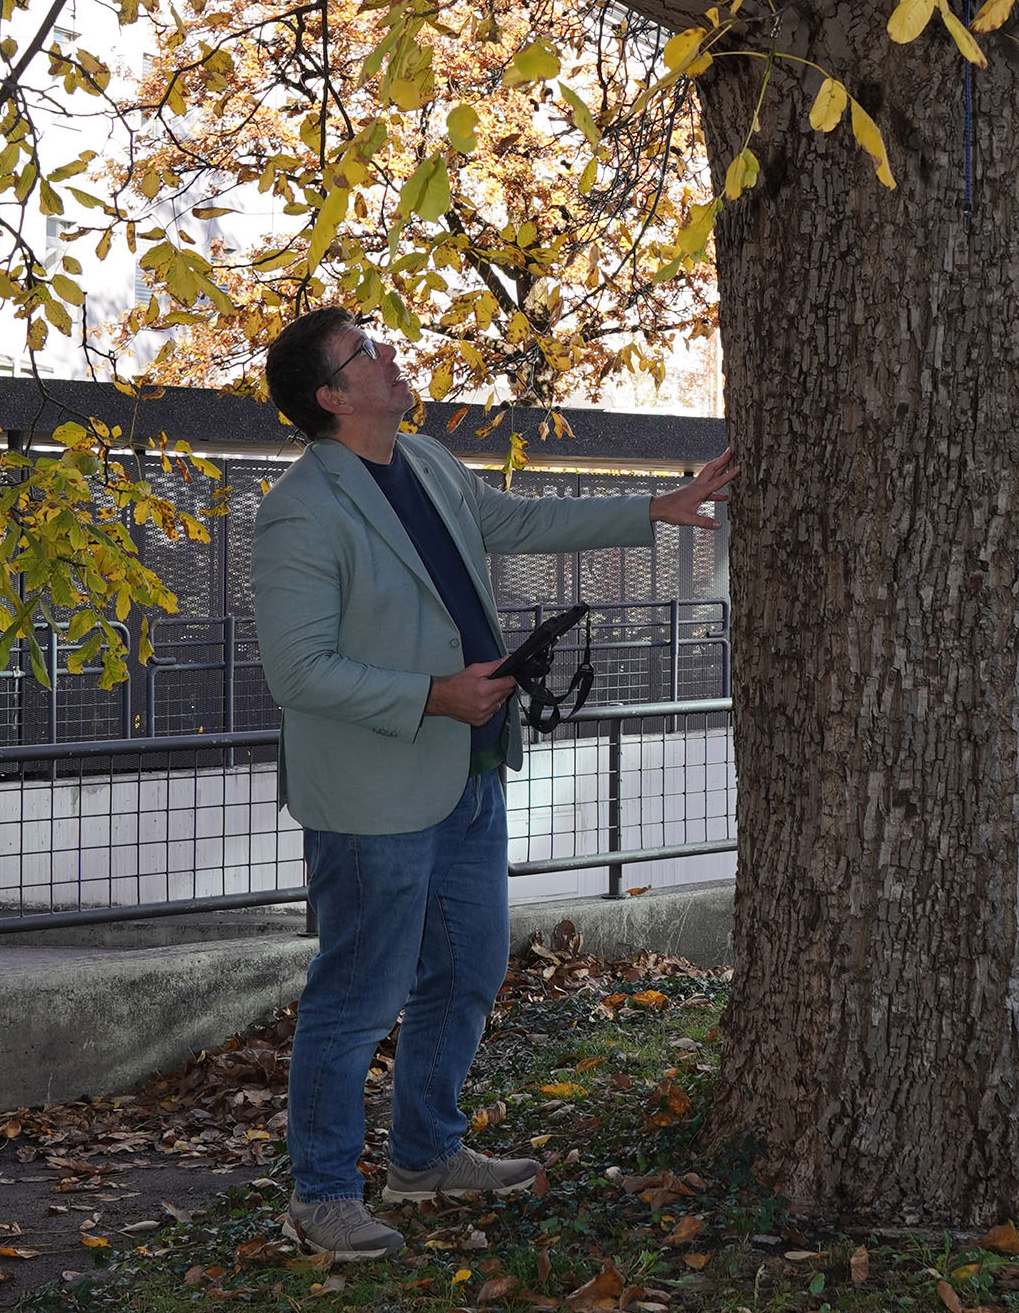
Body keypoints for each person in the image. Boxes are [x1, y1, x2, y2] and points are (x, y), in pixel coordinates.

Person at [251, 306, 737, 1261]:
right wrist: (434, 695)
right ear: (332, 396)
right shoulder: (300, 511)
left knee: (467, 973)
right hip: (374, 800)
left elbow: (518, 520)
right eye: (366, 352)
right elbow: (296, 672)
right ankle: (321, 1196)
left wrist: (653, 509)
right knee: (357, 997)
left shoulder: (426, 461)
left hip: (470, 774)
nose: (390, 355)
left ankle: (425, 1155)